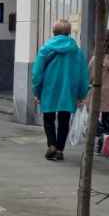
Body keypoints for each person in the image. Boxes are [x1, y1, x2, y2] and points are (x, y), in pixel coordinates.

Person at [31, 19, 89, 161]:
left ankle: (51, 144)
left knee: (48, 118)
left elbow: (37, 73)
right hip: (68, 90)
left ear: (54, 32)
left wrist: (36, 92)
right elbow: (83, 75)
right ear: (69, 33)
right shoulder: (77, 51)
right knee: (64, 120)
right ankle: (60, 150)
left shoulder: (45, 49)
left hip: (49, 88)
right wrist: (82, 94)